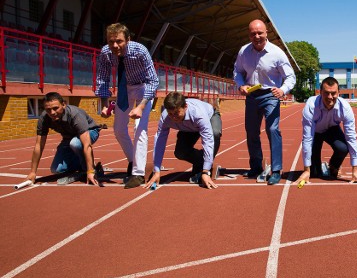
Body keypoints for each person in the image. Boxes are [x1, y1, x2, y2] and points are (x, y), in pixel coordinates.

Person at [95, 23, 159, 189]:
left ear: (128, 40)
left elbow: (153, 81)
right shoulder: (105, 53)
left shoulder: (140, 51)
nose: (115, 45)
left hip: (143, 87)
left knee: (140, 128)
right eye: (111, 42)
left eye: (119, 41)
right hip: (125, 88)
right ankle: (133, 161)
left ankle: (138, 174)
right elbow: (102, 79)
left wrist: (141, 106)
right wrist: (104, 103)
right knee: (118, 129)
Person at [233, 19, 296, 185]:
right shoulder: (243, 52)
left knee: (272, 129)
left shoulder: (277, 53)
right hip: (252, 95)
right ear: (249, 35)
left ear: (266, 33)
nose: (257, 36)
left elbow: (290, 76)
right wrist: (241, 85)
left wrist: (283, 90)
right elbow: (237, 71)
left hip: (270, 95)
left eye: (260, 32)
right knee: (251, 131)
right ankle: (256, 166)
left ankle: (276, 170)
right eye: (253, 33)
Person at [294, 77, 357, 185]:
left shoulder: (345, 108)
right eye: (326, 93)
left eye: (333, 93)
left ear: (339, 93)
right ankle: (314, 169)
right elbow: (307, 138)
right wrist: (306, 169)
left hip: (332, 130)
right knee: (314, 174)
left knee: (343, 148)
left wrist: (355, 170)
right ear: (320, 92)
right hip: (315, 132)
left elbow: (351, 136)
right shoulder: (310, 106)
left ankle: (334, 166)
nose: (330, 97)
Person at [144, 92, 221, 190]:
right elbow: (159, 141)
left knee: (215, 133)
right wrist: (157, 170)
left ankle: (206, 166)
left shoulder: (198, 115)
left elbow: (208, 141)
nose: (174, 117)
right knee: (180, 152)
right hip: (188, 127)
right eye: (170, 114)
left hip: (210, 117)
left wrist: (205, 171)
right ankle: (203, 161)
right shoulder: (165, 118)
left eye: (176, 113)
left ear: (185, 107)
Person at [26, 92, 102, 186]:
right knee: (56, 169)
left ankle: (89, 168)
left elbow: (86, 144)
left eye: (55, 108)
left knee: (75, 143)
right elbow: (39, 145)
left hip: (90, 132)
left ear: (63, 104)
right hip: (68, 137)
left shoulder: (75, 114)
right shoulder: (44, 118)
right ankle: (84, 164)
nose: (52, 113)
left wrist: (90, 171)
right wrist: (33, 172)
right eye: (48, 109)